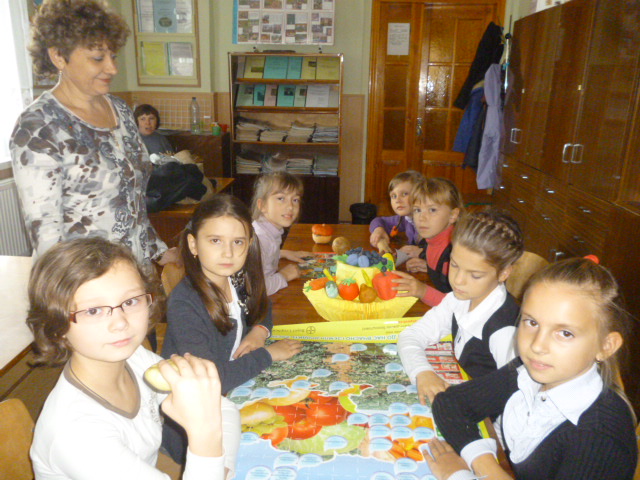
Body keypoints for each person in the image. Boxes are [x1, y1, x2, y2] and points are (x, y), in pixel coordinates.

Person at [27, 237, 239, 480]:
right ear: (57, 326)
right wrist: (205, 435)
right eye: (93, 311)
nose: (120, 322)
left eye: (130, 301)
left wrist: (221, 466)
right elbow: (211, 420)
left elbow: (223, 408)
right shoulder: (76, 434)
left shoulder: (135, 358)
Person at [428, 258, 638, 480]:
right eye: (531, 322)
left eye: (565, 333)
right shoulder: (529, 372)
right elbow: (450, 403)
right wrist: (483, 463)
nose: (537, 345)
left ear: (606, 346)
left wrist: (458, 475)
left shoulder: (599, 439)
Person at [10, 0, 176, 267]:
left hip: (135, 269)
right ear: (58, 56)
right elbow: (48, 238)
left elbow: (132, 203)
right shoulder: (39, 126)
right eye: (98, 58)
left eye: (113, 56)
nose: (112, 68)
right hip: (86, 278)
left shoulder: (121, 111)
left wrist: (159, 250)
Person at [161, 194, 303, 462]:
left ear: (249, 244)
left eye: (238, 242)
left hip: (233, 392)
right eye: (215, 241)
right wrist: (268, 354)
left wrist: (260, 330)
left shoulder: (237, 279)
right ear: (193, 244)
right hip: (194, 429)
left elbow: (263, 307)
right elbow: (213, 379)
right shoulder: (185, 303)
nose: (228, 253)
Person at [398, 209, 524, 405]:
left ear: (503, 273)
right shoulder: (460, 298)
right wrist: (423, 372)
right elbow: (411, 335)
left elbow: (516, 398)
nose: (458, 280)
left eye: (475, 275)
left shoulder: (504, 333)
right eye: (454, 265)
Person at [392, 177, 465, 306]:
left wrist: (423, 291)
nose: (422, 218)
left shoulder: (456, 254)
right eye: (417, 210)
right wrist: (431, 268)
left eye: (432, 210)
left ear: (453, 215)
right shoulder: (431, 241)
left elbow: (462, 309)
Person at [251, 172, 312, 295]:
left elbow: (265, 255)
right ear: (262, 205)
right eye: (281, 198)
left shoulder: (268, 229)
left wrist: (282, 253)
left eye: (295, 200)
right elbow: (254, 289)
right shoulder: (260, 239)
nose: (290, 206)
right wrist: (284, 275)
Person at [369, 170, 424, 253]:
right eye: (394, 196)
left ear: (420, 195)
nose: (397, 200)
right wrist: (378, 230)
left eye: (404, 194)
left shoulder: (429, 222)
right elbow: (379, 220)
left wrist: (421, 253)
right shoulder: (405, 218)